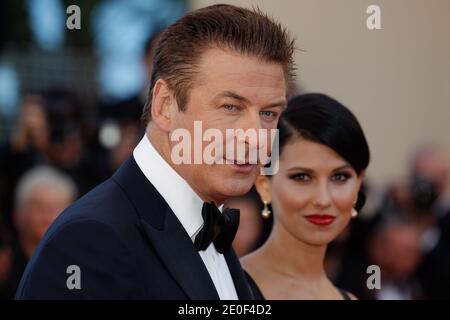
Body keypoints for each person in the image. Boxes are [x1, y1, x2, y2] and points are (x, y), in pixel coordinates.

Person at [16, 4, 295, 299]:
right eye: (230, 107)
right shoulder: (91, 242)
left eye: (268, 113)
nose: (256, 138)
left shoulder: (211, 227)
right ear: (164, 106)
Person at [241, 93, 370, 300]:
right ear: (264, 185)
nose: (323, 199)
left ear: (358, 184)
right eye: (302, 177)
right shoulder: (226, 289)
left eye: (340, 177)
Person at [1, 166, 77, 299]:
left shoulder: (78, 266)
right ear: (17, 214)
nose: (48, 216)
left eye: (57, 208)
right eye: (39, 207)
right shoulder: (4, 265)